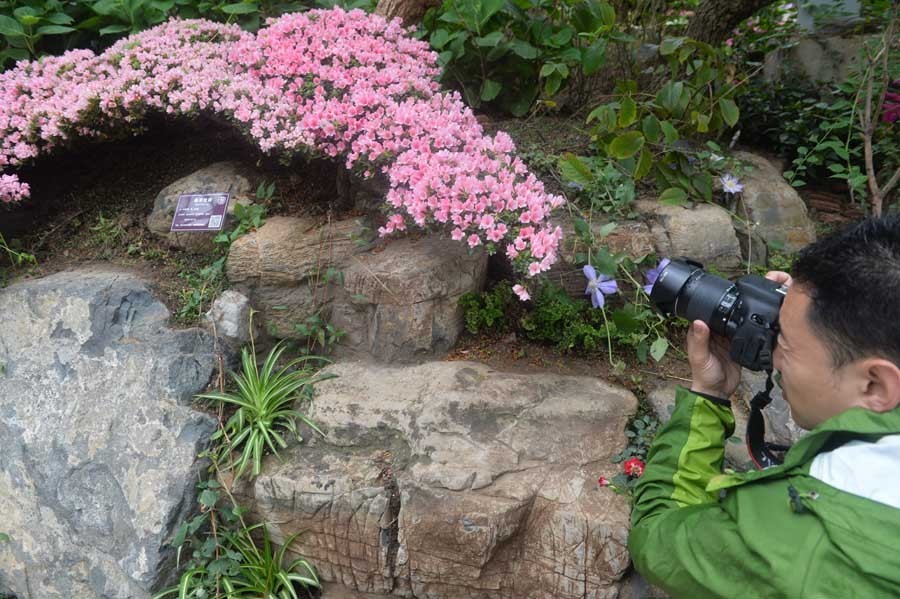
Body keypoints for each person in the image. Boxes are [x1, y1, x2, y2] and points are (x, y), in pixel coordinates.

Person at [628, 215, 900, 598]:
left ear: (875, 384)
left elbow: (658, 536)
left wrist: (708, 396)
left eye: (784, 341)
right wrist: (809, 317)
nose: (773, 357)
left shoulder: (798, 537)